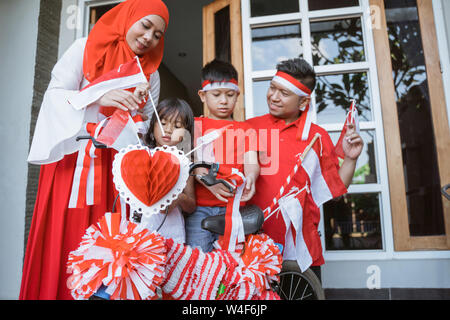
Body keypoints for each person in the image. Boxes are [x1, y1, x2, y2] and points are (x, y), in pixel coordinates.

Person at [20, 0, 169, 300]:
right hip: (74, 164)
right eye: (146, 25)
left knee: (111, 247)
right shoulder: (84, 47)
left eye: (157, 34)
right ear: (129, 17)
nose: (149, 37)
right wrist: (100, 96)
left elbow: (147, 128)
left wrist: (137, 115)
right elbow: (55, 97)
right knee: (66, 240)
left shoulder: (150, 74)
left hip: (118, 171)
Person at [246, 58, 363, 279]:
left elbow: (334, 191)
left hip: (301, 245)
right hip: (255, 243)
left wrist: (350, 159)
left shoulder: (317, 136)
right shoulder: (250, 127)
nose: (274, 96)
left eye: (284, 93)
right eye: (272, 88)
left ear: (303, 102)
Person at [185, 59, 260, 253]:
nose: (224, 101)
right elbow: (189, 160)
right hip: (199, 209)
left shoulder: (246, 129)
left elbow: (252, 161)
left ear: (238, 96)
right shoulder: (193, 125)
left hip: (234, 209)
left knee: (231, 262)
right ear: (202, 96)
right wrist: (207, 180)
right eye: (216, 95)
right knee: (198, 261)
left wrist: (251, 177)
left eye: (230, 95)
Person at [143, 97, 196, 243]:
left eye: (177, 125)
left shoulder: (185, 163)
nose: (168, 129)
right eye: (163, 123)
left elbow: (191, 206)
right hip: (142, 227)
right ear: (153, 126)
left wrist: (179, 197)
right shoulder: (141, 157)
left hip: (172, 231)